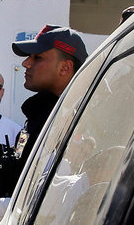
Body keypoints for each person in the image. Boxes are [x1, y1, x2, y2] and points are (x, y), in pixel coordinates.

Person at [12, 25, 88, 178]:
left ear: (65, 68)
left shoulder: (81, 122)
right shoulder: (41, 114)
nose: (26, 63)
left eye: (37, 57)